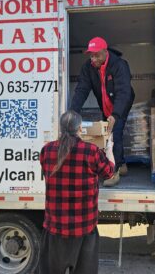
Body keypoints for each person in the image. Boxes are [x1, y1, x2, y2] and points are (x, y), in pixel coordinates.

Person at [39, 110, 114, 274]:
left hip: (55, 229)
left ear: (60, 129)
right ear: (80, 129)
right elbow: (109, 172)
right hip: (84, 229)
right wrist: (109, 149)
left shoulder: (47, 150)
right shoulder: (91, 151)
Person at [71, 37, 135, 186]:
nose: (93, 59)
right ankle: (122, 164)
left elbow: (124, 92)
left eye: (97, 55)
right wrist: (73, 112)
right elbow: (82, 90)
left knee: (114, 133)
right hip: (106, 104)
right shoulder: (88, 67)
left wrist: (115, 114)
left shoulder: (119, 65)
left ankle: (114, 171)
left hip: (121, 103)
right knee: (108, 133)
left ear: (105, 52)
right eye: (91, 55)